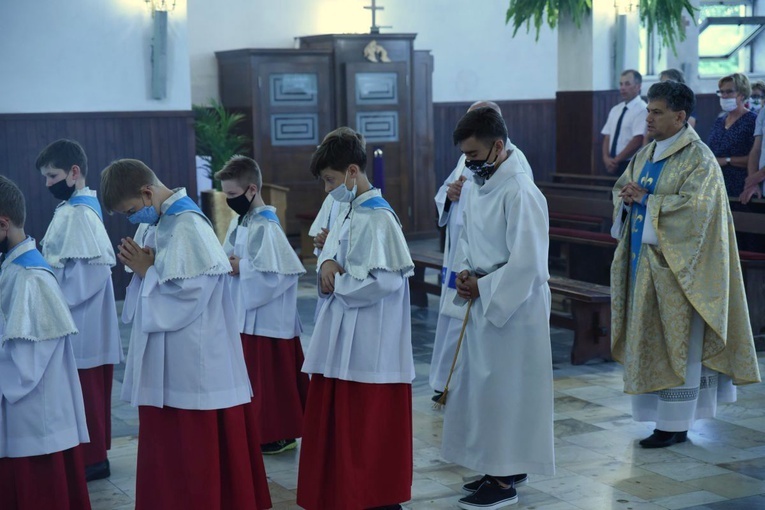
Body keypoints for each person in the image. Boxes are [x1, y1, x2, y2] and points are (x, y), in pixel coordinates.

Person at [99, 159, 271, 510]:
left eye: (131, 210)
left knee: (195, 453)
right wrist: (145, 268)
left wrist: (148, 271)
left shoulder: (189, 225)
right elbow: (158, 281)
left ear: (147, 192)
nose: (133, 218)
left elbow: (190, 295)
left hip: (196, 362)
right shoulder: (160, 222)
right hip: (169, 359)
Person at [611, 81, 761, 449]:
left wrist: (648, 202)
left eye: (656, 112)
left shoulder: (699, 158)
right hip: (643, 264)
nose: (648, 117)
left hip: (680, 273)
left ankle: (675, 424)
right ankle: (657, 419)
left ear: (680, 116)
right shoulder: (646, 154)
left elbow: (698, 214)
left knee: (679, 345)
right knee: (651, 344)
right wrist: (628, 199)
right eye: (648, 110)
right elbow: (623, 188)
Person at [441, 107, 555, 510]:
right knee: (486, 391)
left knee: (507, 392)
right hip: (484, 297)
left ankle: (504, 481)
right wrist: (465, 272)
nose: (468, 162)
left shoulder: (520, 190)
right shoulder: (478, 182)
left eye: (473, 154)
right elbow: (467, 238)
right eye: (465, 155)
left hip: (514, 306)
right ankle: (499, 466)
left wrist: (484, 285)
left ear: (498, 147)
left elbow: (529, 263)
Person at [297, 127, 415, 510]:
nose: (327, 189)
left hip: (370, 340)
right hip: (341, 335)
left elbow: (388, 280)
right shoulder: (348, 210)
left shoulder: (379, 217)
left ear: (351, 171)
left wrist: (339, 281)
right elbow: (331, 260)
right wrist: (328, 265)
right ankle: (343, 492)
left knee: (367, 426)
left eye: (331, 180)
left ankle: (375, 496)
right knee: (343, 423)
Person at [429, 100, 534, 402]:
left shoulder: (516, 173)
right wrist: (449, 196)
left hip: (495, 275)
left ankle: (456, 383)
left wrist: (483, 283)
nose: (468, 159)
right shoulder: (474, 156)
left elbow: (525, 254)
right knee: (453, 318)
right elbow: (449, 193)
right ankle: (446, 379)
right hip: (466, 256)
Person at [0, 175, 91, 510]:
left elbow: (24, 366)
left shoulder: (30, 277)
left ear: (3, 223)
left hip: (35, 426)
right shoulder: (12, 267)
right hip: (25, 421)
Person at [35, 139, 123, 481]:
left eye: (52, 175)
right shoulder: (73, 209)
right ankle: (88, 455)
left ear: (74, 173)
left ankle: (92, 459)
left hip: (80, 321)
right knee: (85, 390)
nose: (47, 184)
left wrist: (51, 297)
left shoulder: (81, 215)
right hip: (78, 318)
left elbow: (91, 273)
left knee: (86, 389)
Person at [217, 155, 309, 455]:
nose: (229, 200)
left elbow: (280, 274)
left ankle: (278, 434)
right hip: (246, 313)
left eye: (232, 194)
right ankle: (258, 430)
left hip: (267, 319)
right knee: (256, 380)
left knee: (271, 383)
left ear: (252, 190)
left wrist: (242, 267)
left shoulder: (267, 226)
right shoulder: (242, 220)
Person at [707, 73, 757, 197]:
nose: (724, 96)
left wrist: (727, 161)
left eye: (729, 92)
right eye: (721, 92)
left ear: (742, 94)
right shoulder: (720, 121)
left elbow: (756, 157)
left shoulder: (752, 121)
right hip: (716, 184)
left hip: (740, 185)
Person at [602, 69, 648, 174]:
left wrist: (616, 160)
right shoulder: (615, 109)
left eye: (627, 84)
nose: (622, 88)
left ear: (638, 86)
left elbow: (638, 139)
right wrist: (606, 158)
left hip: (629, 163)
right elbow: (607, 136)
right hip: (611, 163)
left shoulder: (642, 109)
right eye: (621, 84)